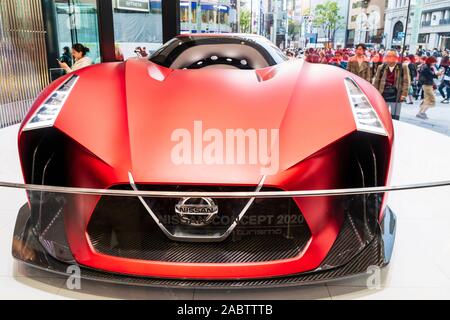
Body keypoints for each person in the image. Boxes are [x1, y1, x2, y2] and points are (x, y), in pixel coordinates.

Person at [372, 50, 410, 120]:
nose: (390, 58)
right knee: (382, 115)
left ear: (396, 58)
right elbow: (376, 82)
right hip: (383, 93)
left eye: (393, 56)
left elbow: (406, 81)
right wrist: (375, 94)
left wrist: (404, 94)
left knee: (395, 116)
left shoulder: (403, 67)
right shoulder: (381, 67)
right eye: (388, 56)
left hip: (396, 94)